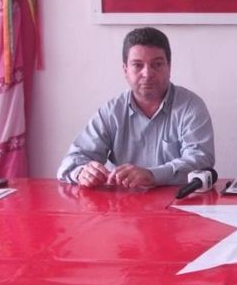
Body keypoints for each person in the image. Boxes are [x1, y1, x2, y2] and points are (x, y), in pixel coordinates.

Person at [57, 27, 215, 188]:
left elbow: (201, 161)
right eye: (138, 65)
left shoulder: (190, 107)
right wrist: (82, 172)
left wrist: (153, 175)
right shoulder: (112, 112)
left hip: (178, 203)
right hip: (122, 204)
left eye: (157, 64)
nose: (147, 73)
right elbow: (70, 162)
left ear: (169, 67)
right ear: (125, 70)